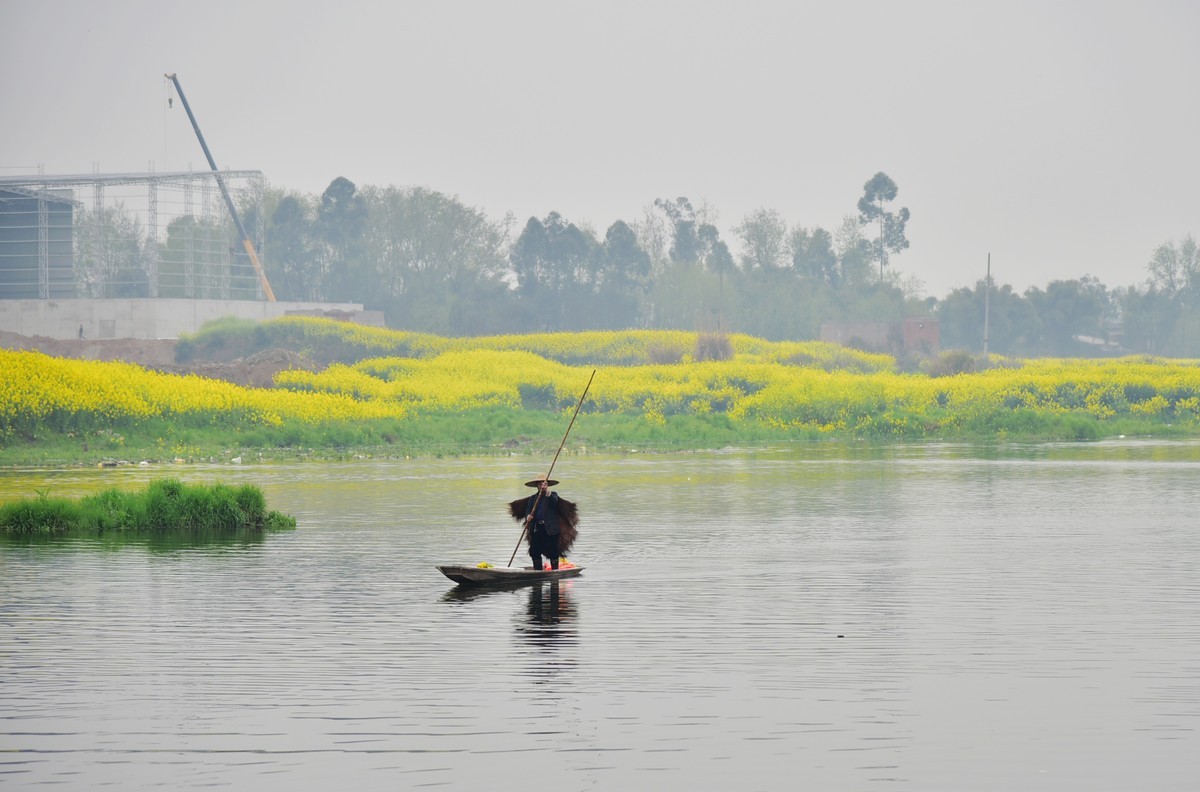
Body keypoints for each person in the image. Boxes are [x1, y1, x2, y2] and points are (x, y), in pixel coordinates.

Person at [508, 476, 579, 571]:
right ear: (537, 485)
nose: (542, 486)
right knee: (534, 551)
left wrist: (547, 493)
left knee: (553, 552)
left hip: (550, 529)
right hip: (537, 528)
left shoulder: (552, 495)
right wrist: (528, 517)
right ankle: (538, 572)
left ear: (547, 485)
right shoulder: (533, 498)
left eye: (544, 484)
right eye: (540, 484)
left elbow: (554, 502)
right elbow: (528, 512)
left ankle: (555, 572)